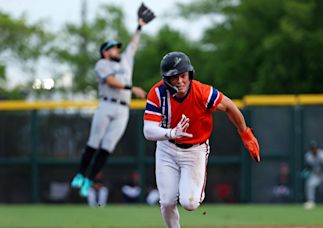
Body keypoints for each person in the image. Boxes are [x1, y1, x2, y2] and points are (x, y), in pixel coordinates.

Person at [143, 51, 261, 228]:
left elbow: (229, 106)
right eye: (175, 77)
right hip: (167, 148)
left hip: (195, 150)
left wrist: (245, 133)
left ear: (189, 74)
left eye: (183, 75)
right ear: (167, 79)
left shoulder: (202, 92)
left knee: (189, 203)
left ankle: (196, 189)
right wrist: (171, 133)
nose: (180, 81)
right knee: (167, 202)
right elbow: (148, 131)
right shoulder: (158, 93)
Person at [70, 17, 149, 198]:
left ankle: (89, 180)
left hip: (123, 110)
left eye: (117, 48)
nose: (117, 50)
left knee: (107, 147)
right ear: (105, 52)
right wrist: (131, 88)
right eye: (113, 48)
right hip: (106, 105)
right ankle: (80, 174)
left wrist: (139, 26)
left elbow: (134, 44)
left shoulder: (126, 61)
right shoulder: (102, 64)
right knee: (93, 142)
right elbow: (112, 82)